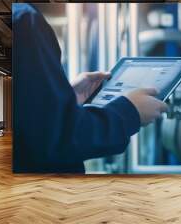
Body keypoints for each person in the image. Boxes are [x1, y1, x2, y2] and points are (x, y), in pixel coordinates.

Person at [12, 3, 168, 173]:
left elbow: (29, 120)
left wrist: (63, 98)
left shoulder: (17, 15)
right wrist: (129, 112)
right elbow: (57, 140)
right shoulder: (25, 20)